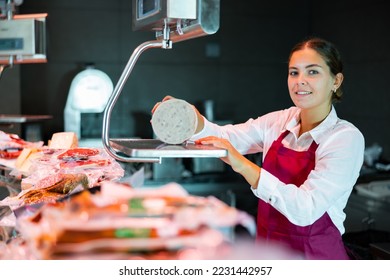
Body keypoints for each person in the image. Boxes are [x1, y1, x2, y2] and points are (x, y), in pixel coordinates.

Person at [152, 37, 365, 260]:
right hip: (269, 255)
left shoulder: (345, 138)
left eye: (312, 72)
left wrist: (243, 165)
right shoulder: (279, 121)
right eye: (294, 72)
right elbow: (227, 138)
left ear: (336, 81)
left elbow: (306, 208)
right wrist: (193, 121)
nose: (300, 81)